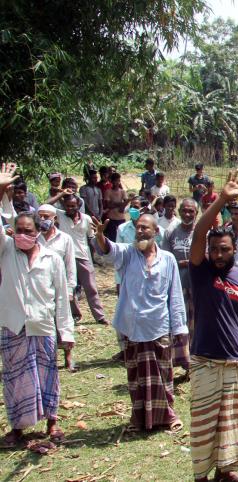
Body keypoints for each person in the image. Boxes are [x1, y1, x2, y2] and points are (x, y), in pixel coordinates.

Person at [188, 170, 238, 482]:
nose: (218, 255)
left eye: (224, 250)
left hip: (234, 361)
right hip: (204, 360)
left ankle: (225, 471)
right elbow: (198, 234)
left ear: (235, 250)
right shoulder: (201, 270)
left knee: (230, 421)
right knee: (203, 424)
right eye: (214, 250)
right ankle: (201, 476)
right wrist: (221, 200)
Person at [92, 213, 187, 432]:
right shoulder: (128, 253)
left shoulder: (168, 259)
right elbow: (109, 249)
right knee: (136, 377)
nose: (141, 231)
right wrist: (100, 237)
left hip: (159, 325)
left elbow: (174, 294)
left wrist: (179, 327)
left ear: (156, 232)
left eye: (146, 228)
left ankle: (168, 416)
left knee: (163, 375)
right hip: (133, 327)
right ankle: (139, 417)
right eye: (138, 228)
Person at [0, 163, 73, 447]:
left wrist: (66, 332)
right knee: (15, 379)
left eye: (27, 230)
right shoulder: (7, 251)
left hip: (42, 325)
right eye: (17, 229)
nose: (22, 234)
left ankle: (52, 422)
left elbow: (62, 299)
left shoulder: (51, 258)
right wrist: (1, 191)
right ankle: (17, 427)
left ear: (37, 232)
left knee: (48, 375)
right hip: (13, 324)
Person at [35, 204, 77, 371]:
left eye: (46, 216)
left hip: (60, 285)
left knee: (63, 320)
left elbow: (70, 265)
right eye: (40, 216)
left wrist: (70, 288)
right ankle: (47, 357)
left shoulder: (65, 239)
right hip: (40, 287)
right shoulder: (34, 238)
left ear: (55, 218)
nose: (43, 219)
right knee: (44, 322)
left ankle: (68, 356)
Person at [56, 195, 109, 325]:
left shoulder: (86, 218)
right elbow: (44, 206)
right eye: (67, 206)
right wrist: (61, 194)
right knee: (70, 288)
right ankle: (75, 314)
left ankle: (100, 316)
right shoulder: (60, 215)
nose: (69, 208)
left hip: (83, 256)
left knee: (91, 287)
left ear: (78, 206)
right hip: (65, 257)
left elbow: (91, 238)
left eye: (72, 206)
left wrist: (96, 255)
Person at [163, 198, 197, 368]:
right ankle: (183, 361)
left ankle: (196, 358)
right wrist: (184, 263)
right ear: (179, 211)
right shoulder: (171, 232)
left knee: (196, 324)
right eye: (184, 210)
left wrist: (187, 262)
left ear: (196, 213)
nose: (187, 214)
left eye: (191, 211)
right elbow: (165, 260)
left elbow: (205, 257)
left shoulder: (201, 232)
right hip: (177, 287)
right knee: (179, 323)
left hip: (197, 286)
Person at [103, 172, 127, 241]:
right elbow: (108, 205)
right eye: (115, 181)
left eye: (118, 181)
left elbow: (125, 204)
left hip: (121, 218)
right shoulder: (108, 191)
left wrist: (114, 204)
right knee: (112, 238)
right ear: (112, 181)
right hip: (112, 218)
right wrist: (120, 204)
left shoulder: (122, 192)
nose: (117, 183)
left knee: (122, 237)